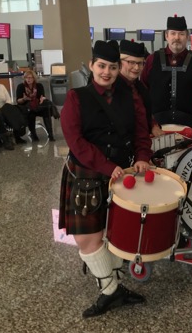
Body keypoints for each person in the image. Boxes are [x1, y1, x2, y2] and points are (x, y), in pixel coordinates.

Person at [59, 40, 152, 318]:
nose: (107, 72)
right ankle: (111, 291)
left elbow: (141, 133)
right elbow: (76, 142)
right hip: (86, 175)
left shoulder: (130, 96)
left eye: (112, 67)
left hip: (121, 175)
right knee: (87, 239)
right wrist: (106, 165)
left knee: (114, 235)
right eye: (102, 66)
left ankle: (113, 290)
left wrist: (143, 155)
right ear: (92, 66)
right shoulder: (77, 98)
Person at [141, 15, 192, 140]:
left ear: (187, 36)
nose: (177, 38)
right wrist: (151, 123)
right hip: (156, 128)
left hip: (189, 125)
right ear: (166, 36)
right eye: (173, 33)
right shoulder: (152, 60)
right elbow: (143, 91)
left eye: (181, 34)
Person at [119, 39, 164, 137]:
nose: (136, 68)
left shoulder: (140, 87)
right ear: (120, 62)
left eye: (140, 63)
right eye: (131, 62)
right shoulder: (112, 87)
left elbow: (145, 114)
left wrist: (153, 125)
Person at [0, 68, 27, 144]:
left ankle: (17, 134)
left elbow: (8, 99)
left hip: (6, 107)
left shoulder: (1, 86)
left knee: (16, 110)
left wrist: (5, 108)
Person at [16, 69, 55, 141]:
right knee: (31, 113)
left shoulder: (39, 86)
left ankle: (50, 134)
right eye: (26, 78)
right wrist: (24, 99)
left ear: (34, 78)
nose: (28, 79)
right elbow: (18, 101)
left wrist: (42, 99)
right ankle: (33, 134)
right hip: (26, 107)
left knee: (46, 110)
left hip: (38, 106)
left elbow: (42, 96)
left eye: (30, 77)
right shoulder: (21, 87)